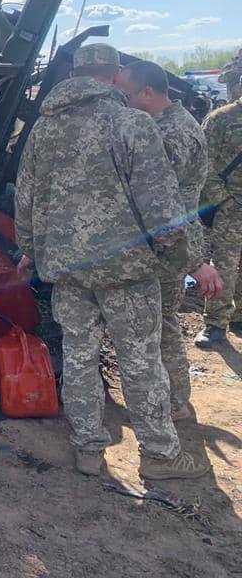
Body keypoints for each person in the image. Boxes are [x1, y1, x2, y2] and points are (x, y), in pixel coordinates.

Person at [15, 43, 209, 480]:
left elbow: (25, 198)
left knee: (79, 358)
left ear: (73, 75)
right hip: (128, 271)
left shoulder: (43, 129)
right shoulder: (131, 123)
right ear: (115, 74)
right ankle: (159, 456)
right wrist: (186, 260)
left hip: (67, 270)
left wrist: (31, 249)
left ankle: (87, 450)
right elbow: (162, 209)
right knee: (139, 360)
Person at [115, 60, 224, 418]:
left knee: (160, 327)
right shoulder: (165, 125)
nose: (124, 102)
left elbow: (164, 205)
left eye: (127, 95)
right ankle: (171, 401)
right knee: (159, 325)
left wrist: (194, 261)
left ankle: (174, 404)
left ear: (148, 92)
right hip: (165, 244)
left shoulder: (172, 135)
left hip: (168, 248)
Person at [197, 93, 242, 347]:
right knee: (224, 266)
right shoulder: (220, 119)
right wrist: (224, 201)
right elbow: (204, 164)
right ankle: (215, 324)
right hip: (231, 207)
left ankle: (240, 317)